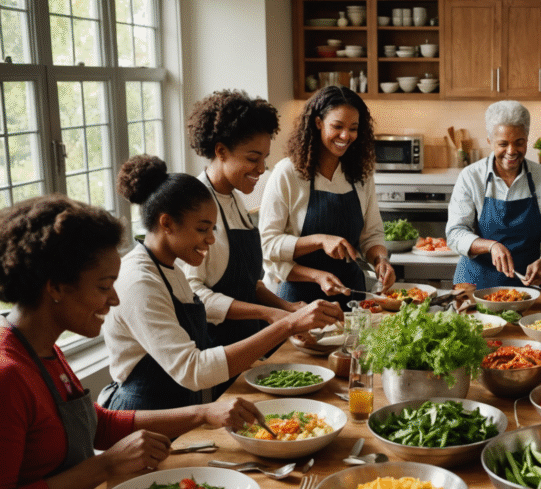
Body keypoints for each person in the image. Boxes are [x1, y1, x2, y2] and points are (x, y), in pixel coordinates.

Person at [0, 195, 265, 489]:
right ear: (56, 286)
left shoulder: (44, 351)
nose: (114, 299)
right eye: (103, 286)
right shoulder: (8, 375)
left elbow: (97, 425)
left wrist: (203, 413)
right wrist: (104, 466)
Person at [101, 155, 340, 410]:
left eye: (212, 229)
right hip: (141, 414)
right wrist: (287, 324)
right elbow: (193, 370)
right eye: (202, 229)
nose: (211, 239)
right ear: (167, 223)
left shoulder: (171, 269)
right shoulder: (139, 281)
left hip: (177, 410)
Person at [182, 90, 303, 347]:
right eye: (252, 158)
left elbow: (248, 284)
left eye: (264, 159)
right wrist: (268, 313)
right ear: (221, 151)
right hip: (217, 347)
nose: (261, 169)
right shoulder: (195, 206)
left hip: (249, 342)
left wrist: (288, 307)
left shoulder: (234, 198)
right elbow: (194, 293)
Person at [259, 85, 395, 304]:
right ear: (318, 123)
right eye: (337, 126)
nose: (345, 135)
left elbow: (371, 235)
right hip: (298, 301)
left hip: (352, 297)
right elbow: (268, 245)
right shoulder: (288, 173)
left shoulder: (360, 174)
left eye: (353, 128)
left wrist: (381, 260)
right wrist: (320, 242)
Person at [447, 101, 541, 288]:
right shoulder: (471, 177)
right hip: (475, 286)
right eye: (503, 144)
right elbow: (455, 233)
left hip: (528, 287)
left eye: (519, 143)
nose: (511, 151)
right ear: (489, 141)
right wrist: (491, 246)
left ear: (526, 139)